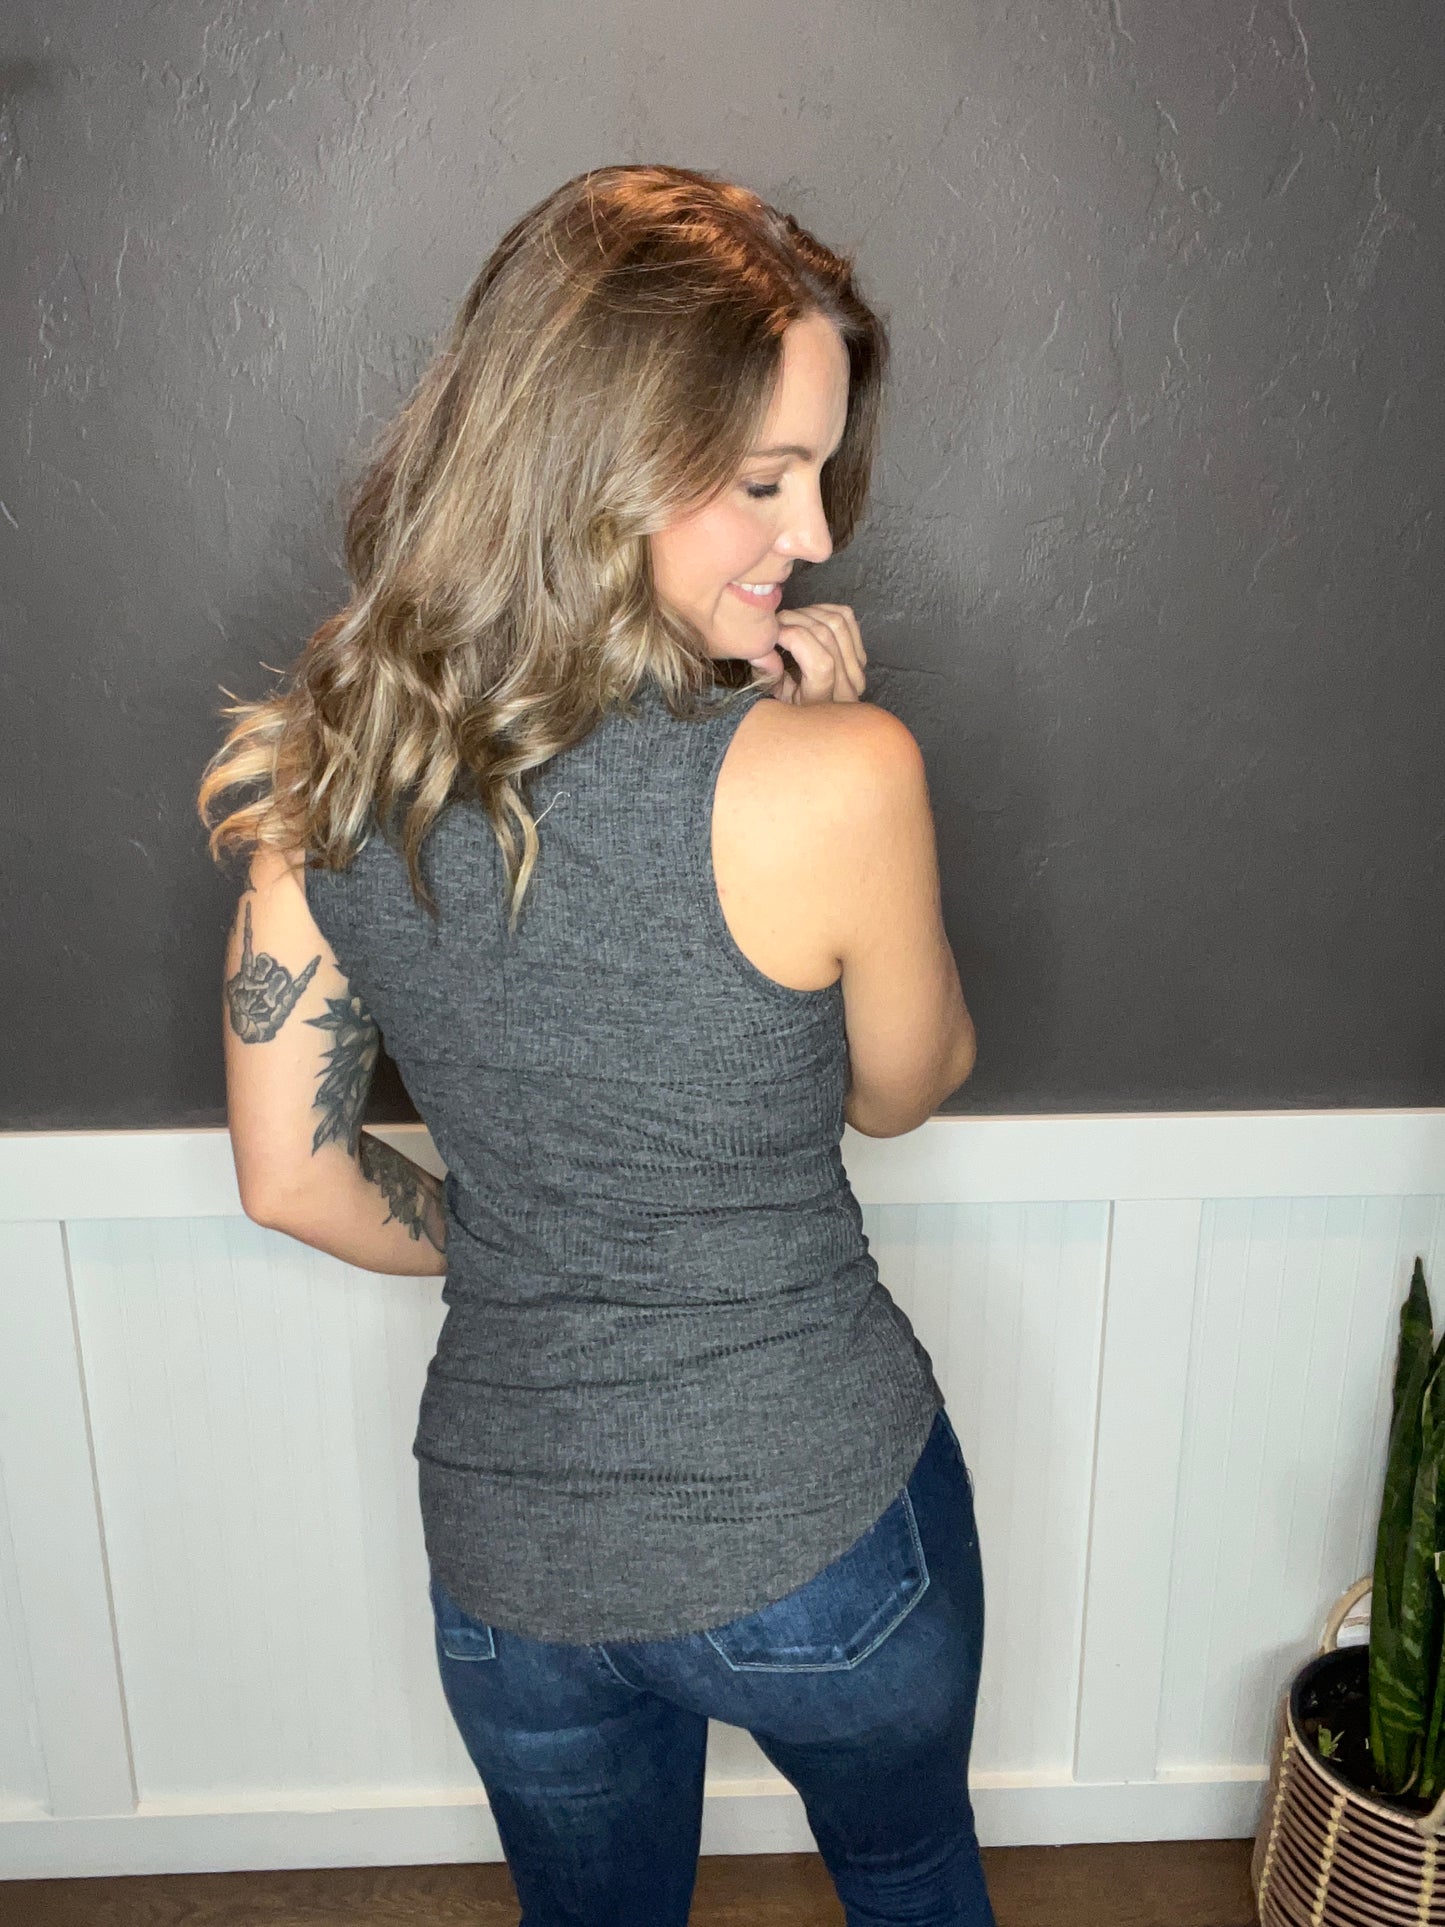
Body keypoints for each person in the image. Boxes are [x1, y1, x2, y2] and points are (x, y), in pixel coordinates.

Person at [198, 162, 993, 1927]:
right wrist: (837, 739)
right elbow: (904, 1089)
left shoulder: (329, 777)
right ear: (595, 456)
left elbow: (289, 1179)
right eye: (763, 480)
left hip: (514, 1567)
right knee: (911, 1880)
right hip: (823, 1536)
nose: (813, 536)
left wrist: (519, 1244)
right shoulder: (841, 772)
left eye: (816, 476)